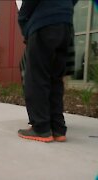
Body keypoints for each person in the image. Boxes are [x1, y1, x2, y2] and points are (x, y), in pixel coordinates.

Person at [17, 0, 78, 142]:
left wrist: (23, 21)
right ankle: (58, 128)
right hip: (65, 24)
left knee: (36, 78)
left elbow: (28, 5)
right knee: (56, 79)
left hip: (43, 24)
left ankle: (41, 128)